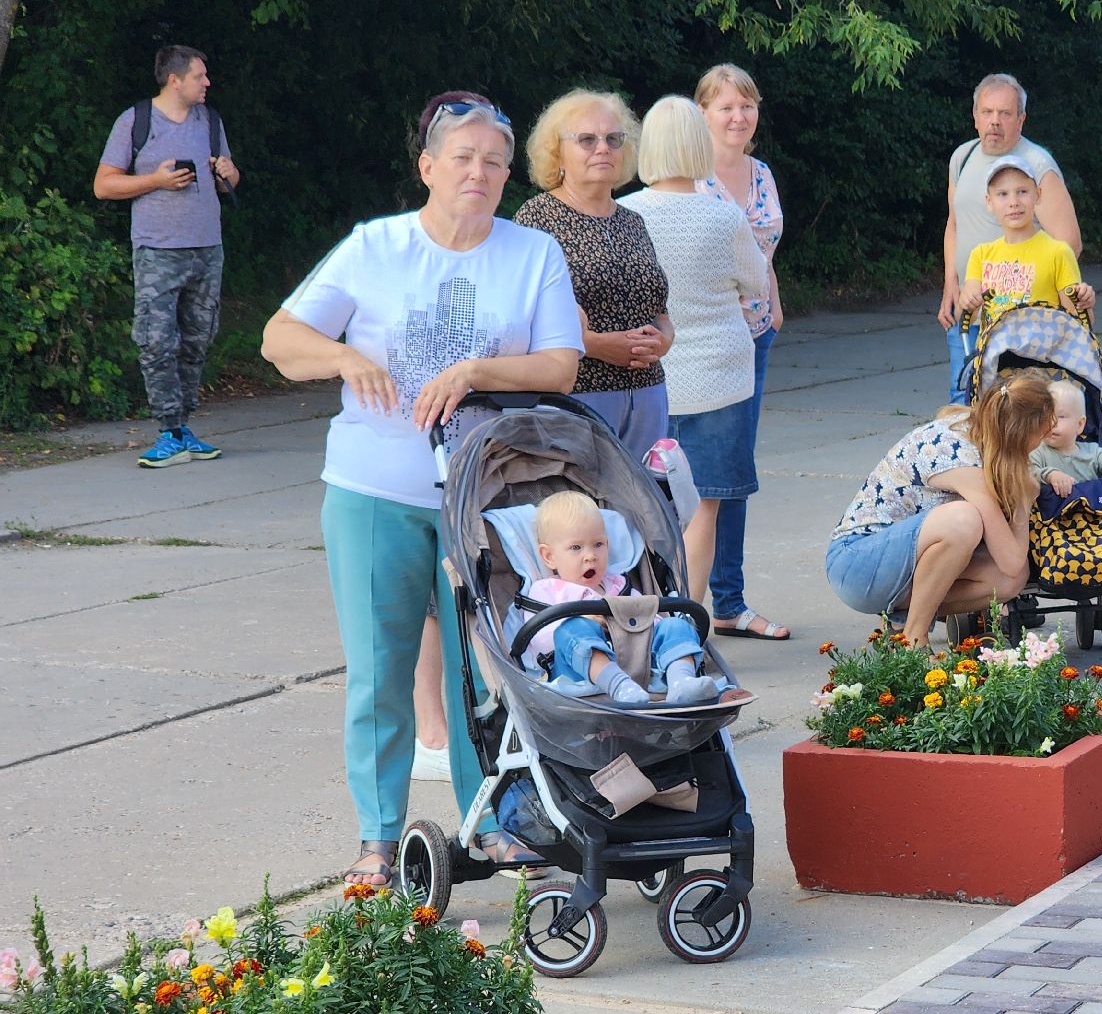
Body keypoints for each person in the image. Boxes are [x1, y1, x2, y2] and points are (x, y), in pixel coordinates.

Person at [260, 91, 583, 889]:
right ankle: (376, 838)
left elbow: (560, 366)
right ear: (428, 167)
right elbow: (280, 338)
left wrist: (475, 372)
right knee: (380, 672)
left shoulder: (531, 253)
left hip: (485, 493)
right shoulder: (376, 248)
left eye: (494, 161)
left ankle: (493, 827)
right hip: (375, 491)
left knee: (492, 670)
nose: (479, 173)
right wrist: (343, 359)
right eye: (462, 158)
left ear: (510, 174)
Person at [617, 97, 766, 617]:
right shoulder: (725, 217)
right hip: (720, 377)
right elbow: (756, 284)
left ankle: (639, 616)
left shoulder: (624, 213)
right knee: (704, 505)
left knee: (638, 502)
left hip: (643, 376)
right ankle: (688, 623)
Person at [826, 372, 1055, 648]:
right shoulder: (961, 460)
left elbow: (1011, 571)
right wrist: (1023, 502)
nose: (1041, 443)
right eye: (1040, 434)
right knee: (964, 520)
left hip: (891, 564)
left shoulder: (976, 427)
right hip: (855, 563)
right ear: (1019, 435)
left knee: (1009, 581)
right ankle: (914, 639)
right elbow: (1011, 558)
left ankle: (899, 623)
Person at [93, 44, 241, 468]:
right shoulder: (135, 121)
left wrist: (229, 175)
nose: (207, 83)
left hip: (207, 247)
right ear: (174, 79)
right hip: (157, 249)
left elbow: (225, 180)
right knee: (157, 341)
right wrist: (154, 180)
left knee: (198, 339)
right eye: (200, 76)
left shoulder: (210, 121)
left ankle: (184, 427)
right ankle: (167, 430)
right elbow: (103, 186)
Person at [516, 89, 675, 455]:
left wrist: (663, 340)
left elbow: (660, 311)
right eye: (587, 139)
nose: (603, 148)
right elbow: (523, 320)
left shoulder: (633, 221)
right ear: (558, 154)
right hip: (580, 396)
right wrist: (600, 347)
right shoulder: (536, 220)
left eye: (613, 139)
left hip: (648, 393)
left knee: (644, 505)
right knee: (582, 507)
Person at [695, 63, 790, 641]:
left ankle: (729, 602)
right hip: (701, 343)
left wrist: (774, 305)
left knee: (735, 470)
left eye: (747, 105)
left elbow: (765, 248)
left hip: (754, 334)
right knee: (698, 474)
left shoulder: (761, 173)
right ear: (701, 112)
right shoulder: (685, 177)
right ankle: (679, 604)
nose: (738, 115)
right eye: (725, 106)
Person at [939, 73, 1084, 404]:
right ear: (974, 116)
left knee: (1014, 409)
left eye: (1005, 114)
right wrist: (951, 283)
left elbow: (1069, 245)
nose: (994, 122)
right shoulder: (962, 158)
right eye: (987, 112)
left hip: (1018, 326)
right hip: (969, 313)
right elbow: (954, 224)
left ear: (1022, 119)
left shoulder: (1036, 166)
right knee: (965, 402)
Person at [523, 491, 717, 705]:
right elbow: (539, 638)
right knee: (571, 629)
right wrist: (586, 622)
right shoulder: (547, 590)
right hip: (574, 674)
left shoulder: (618, 586)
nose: (590, 555)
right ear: (549, 556)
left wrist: (653, 627)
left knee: (674, 625)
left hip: (636, 665)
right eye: (576, 548)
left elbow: (646, 618)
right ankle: (618, 685)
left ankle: (682, 682)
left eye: (598, 544)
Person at [957, 156, 1095, 327]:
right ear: (989, 202)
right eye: (1002, 194)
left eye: (1022, 192)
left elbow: (1080, 324)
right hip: (996, 352)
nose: (1013, 202)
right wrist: (968, 300)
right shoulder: (981, 255)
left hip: (1043, 352)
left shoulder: (1058, 252)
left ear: (1037, 194)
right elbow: (969, 315)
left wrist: (1083, 303)